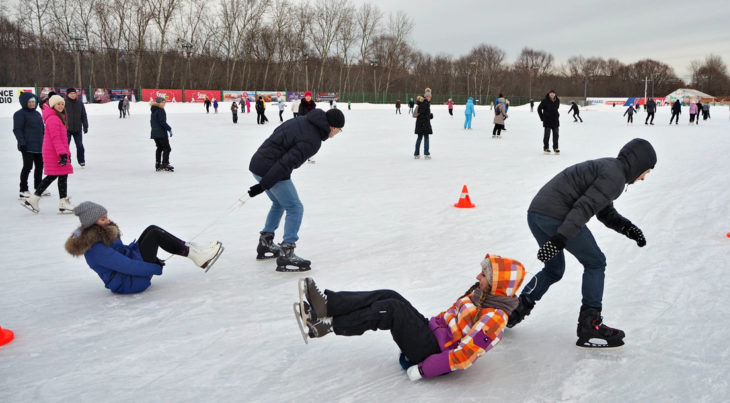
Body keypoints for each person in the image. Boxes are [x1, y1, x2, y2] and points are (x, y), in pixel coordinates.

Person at [507, 138, 656, 348]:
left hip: (537, 213)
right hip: (555, 215)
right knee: (596, 262)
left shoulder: (611, 169)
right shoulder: (615, 177)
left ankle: (515, 310)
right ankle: (590, 325)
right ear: (639, 164)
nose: (643, 178)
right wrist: (560, 239)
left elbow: (603, 210)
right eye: (646, 172)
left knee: (554, 270)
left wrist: (628, 228)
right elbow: (584, 208)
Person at [294, 254, 525, 381]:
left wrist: (425, 370)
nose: (478, 276)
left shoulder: (494, 318)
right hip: (431, 333)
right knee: (390, 295)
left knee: (391, 309)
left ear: (498, 285)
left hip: (432, 352)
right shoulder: (480, 295)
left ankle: (327, 326)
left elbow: (464, 356)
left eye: (484, 275)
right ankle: (327, 306)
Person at [247, 108, 345, 272]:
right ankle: (287, 252)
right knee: (295, 207)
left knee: (278, 203)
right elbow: (285, 163)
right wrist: (264, 184)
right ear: (333, 128)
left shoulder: (303, 120)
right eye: (339, 130)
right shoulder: (313, 140)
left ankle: (266, 243)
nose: (337, 134)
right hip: (270, 170)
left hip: (257, 164)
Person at [64, 201, 223, 294]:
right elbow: (126, 266)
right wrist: (154, 267)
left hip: (128, 272)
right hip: (127, 282)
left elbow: (121, 253)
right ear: (91, 223)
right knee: (153, 234)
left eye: (106, 217)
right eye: (102, 219)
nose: (107, 221)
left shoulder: (100, 234)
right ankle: (196, 256)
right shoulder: (95, 248)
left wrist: (148, 256)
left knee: (151, 229)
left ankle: (195, 252)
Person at [21, 95, 74, 214]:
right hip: (54, 152)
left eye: (62, 104)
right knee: (53, 175)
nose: (61, 106)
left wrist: (67, 153)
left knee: (61, 175)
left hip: (57, 151)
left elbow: (63, 139)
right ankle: (34, 198)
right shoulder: (53, 119)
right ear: (52, 105)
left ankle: (61, 201)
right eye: (58, 104)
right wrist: (62, 154)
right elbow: (56, 138)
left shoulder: (58, 117)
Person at [13, 92, 45, 199]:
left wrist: (45, 141)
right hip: (27, 146)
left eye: (33, 102)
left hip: (39, 145)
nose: (32, 104)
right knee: (28, 167)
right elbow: (17, 130)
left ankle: (39, 187)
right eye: (29, 102)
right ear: (24, 103)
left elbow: (42, 129)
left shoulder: (37, 114)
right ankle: (23, 189)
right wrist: (22, 142)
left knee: (40, 166)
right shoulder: (19, 114)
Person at [64, 88, 89, 167]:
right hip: (67, 129)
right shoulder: (63, 103)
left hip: (77, 128)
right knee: (65, 146)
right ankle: (67, 160)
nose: (73, 95)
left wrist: (85, 126)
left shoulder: (79, 103)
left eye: (74, 93)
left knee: (80, 146)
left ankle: (81, 160)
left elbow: (83, 115)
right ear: (67, 94)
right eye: (71, 93)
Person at [150, 97, 174, 172]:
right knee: (167, 148)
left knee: (159, 148)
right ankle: (165, 164)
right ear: (159, 103)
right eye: (163, 102)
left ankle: (158, 164)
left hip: (154, 133)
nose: (165, 104)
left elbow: (152, 122)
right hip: (161, 133)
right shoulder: (160, 110)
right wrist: (169, 128)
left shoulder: (153, 110)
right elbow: (162, 122)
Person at [414, 89, 433, 159]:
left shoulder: (421, 102)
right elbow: (424, 114)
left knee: (419, 138)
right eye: (429, 97)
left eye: (430, 97)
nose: (430, 98)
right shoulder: (425, 103)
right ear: (427, 96)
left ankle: (416, 154)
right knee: (426, 138)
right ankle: (426, 153)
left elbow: (422, 112)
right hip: (424, 123)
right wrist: (430, 115)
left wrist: (428, 115)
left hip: (420, 123)